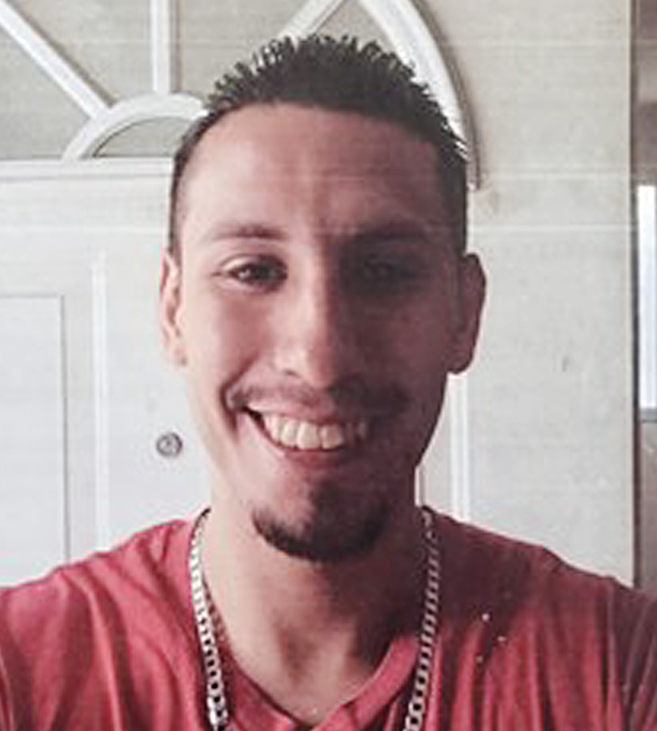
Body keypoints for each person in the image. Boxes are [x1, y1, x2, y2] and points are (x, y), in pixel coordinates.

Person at [1, 34, 656, 731]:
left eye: (384, 272)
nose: (319, 359)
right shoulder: (21, 670)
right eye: (253, 270)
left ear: (465, 313)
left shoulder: (619, 670)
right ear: (173, 309)